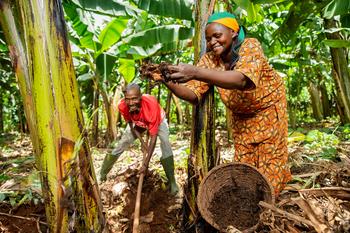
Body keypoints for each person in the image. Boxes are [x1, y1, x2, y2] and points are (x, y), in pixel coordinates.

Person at [153, 12, 291, 196]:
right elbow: (194, 94)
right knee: (245, 168)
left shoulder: (250, 46)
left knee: (270, 166)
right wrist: (166, 80)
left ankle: (269, 207)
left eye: (217, 36)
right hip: (241, 119)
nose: (212, 42)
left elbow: (242, 80)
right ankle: (249, 205)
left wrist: (196, 72)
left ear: (233, 32)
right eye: (208, 39)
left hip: (268, 112)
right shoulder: (210, 60)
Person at [100, 83, 179, 194]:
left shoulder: (151, 106)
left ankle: (172, 182)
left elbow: (153, 137)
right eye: (128, 99)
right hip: (139, 123)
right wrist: (141, 142)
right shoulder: (122, 106)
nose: (131, 103)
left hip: (157, 120)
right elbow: (131, 125)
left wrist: (145, 164)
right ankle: (102, 174)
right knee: (123, 142)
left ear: (140, 97)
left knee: (165, 142)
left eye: (134, 99)